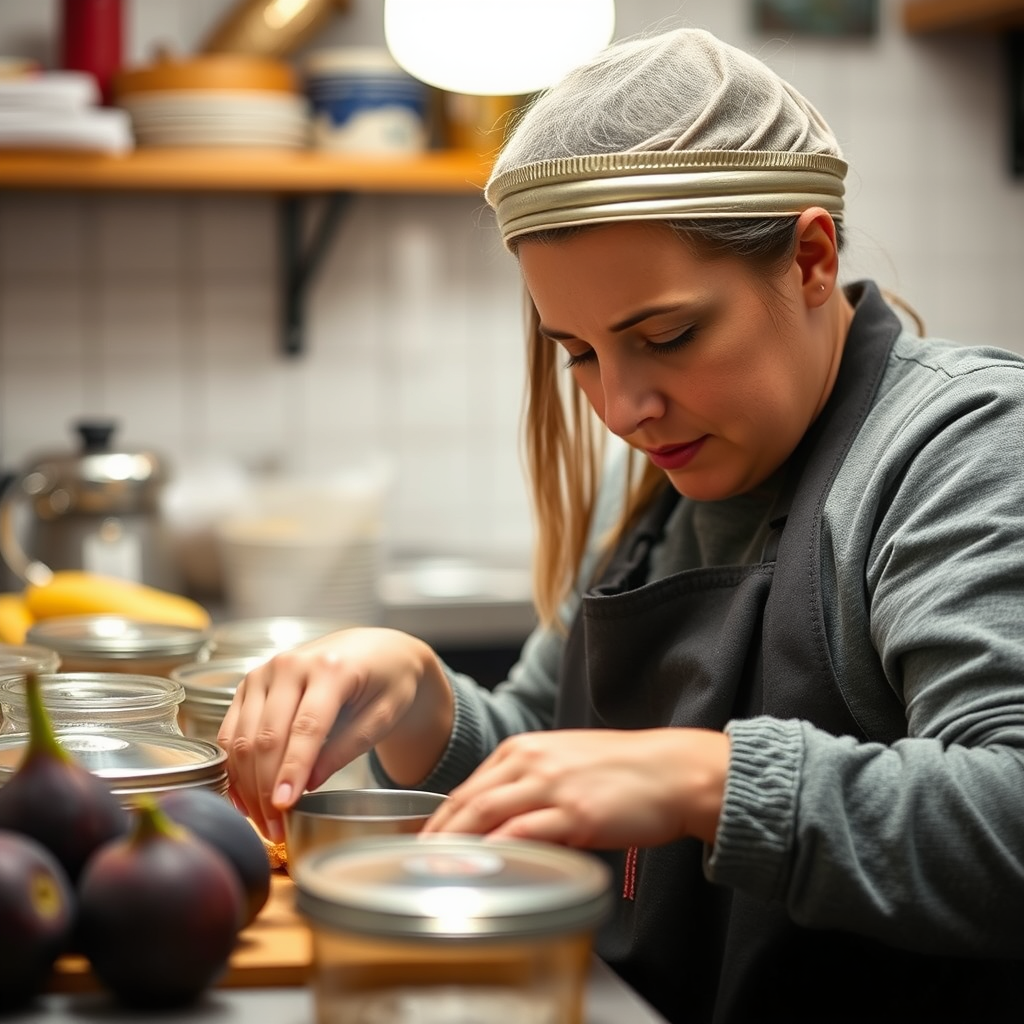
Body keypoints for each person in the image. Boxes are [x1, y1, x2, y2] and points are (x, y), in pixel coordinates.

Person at [219, 25, 1024, 1023]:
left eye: (667, 336)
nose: (621, 408)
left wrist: (707, 775)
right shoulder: (646, 483)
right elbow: (550, 761)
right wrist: (420, 696)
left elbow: (1008, 817)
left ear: (810, 258)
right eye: (580, 355)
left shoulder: (962, 443)